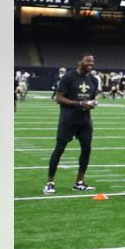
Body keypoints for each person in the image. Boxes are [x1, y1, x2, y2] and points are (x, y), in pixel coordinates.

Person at [44, 54, 100, 194]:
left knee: (86, 150)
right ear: (79, 61)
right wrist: (80, 103)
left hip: (85, 122)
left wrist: (93, 103)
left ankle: (79, 182)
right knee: (59, 149)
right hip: (68, 120)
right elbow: (59, 98)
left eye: (92, 62)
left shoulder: (93, 79)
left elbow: (95, 95)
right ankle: (50, 183)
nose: (90, 64)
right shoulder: (68, 77)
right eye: (88, 61)